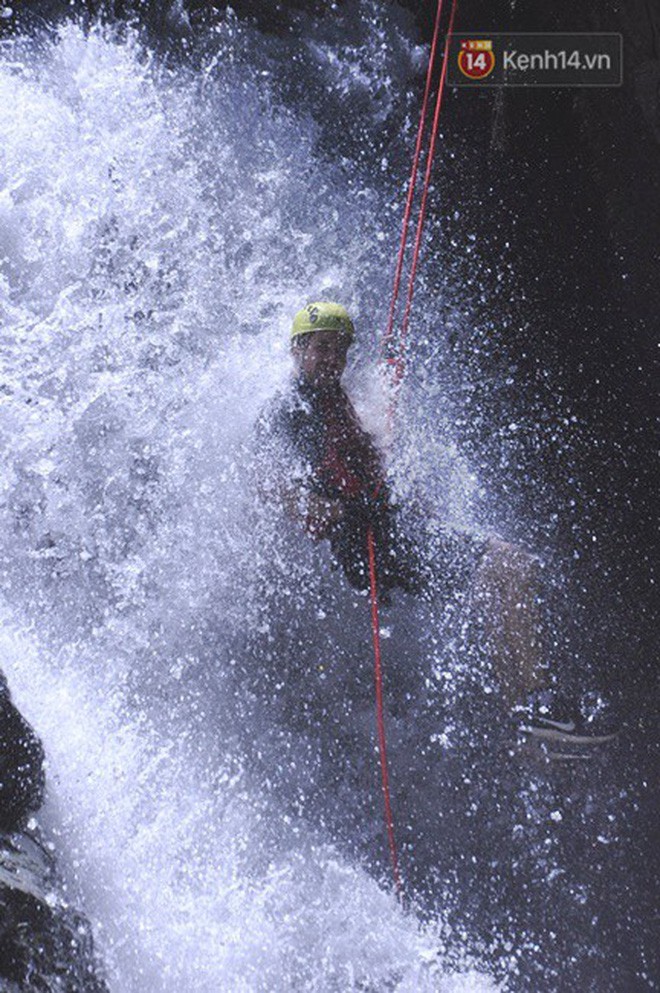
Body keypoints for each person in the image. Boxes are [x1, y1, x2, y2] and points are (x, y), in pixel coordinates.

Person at [254, 301, 548, 710]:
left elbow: (373, 470)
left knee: (494, 582)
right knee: (511, 566)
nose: (333, 359)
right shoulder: (286, 412)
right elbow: (277, 492)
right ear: (298, 348)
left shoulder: (336, 401)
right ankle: (537, 702)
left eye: (340, 350)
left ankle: (526, 718)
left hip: (388, 529)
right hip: (370, 543)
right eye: (323, 347)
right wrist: (344, 512)